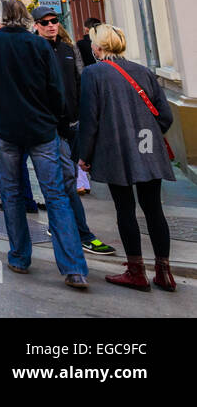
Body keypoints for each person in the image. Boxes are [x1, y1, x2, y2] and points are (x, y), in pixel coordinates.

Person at [0, 0, 89, 289]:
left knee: (11, 194)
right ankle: (73, 268)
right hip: (41, 129)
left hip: (6, 128)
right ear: (25, 18)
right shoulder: (39, 45)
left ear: (1, 17)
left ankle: (20, 256)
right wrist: (56, 118)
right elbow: (55, 87)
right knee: (57, 195)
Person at [78, 24, 177, 292]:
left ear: (98, 47)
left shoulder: (93, 74)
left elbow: (90, 120)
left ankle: (136, 272)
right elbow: (165, 116)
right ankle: (164, 272)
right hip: (149, 148)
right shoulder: (144, 72)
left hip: (116, 150)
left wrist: (84, 155)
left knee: (125, 209)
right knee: (154, 208)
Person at [32, 3, 115, 256]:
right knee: (66, 182)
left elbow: (79, 81)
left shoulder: (68, 49)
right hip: (48, 128)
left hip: (71, 124)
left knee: (64, 182)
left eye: (54, 20)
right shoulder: (33, 50)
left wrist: (79, 116)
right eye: (44, 22)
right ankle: (82, 234)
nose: (51, 25)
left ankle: (60, 225)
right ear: (36, 26)